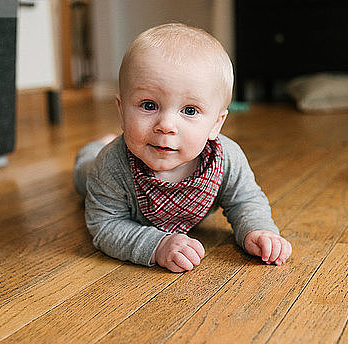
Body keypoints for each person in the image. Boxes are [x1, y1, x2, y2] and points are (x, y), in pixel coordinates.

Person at [73, 23, 292, 273]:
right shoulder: (111, 164)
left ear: (216, 124)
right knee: (84, 175)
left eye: (189, 110)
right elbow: (105, 226)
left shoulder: (226, 159)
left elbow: (245, 200)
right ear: (121, 112)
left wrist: (258, 230)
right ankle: (91, 148)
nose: (166, 125)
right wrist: (157, 245)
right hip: (96, 172)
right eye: (148, 105)